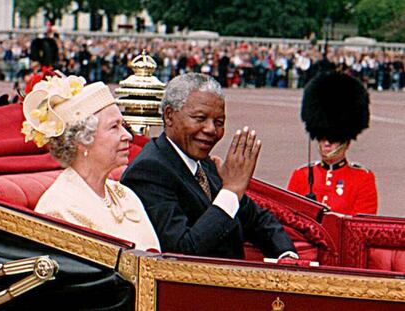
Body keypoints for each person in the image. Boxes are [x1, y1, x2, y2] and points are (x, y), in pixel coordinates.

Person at [121, 73, 297, 260]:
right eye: (200, 118)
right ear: (169, 115)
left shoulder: (205, 165)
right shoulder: (149, 171)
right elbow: (180, 252)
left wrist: (286, 255)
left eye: (219, 122)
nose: (211, 130)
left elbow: (257, 218)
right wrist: (231, 191)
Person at [21, 74, 160, 251]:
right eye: (114, 127)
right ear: (81, 141)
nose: (128, 136)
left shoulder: (125, 194)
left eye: (123, 125)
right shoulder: (58, 208)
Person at [287, 72, 377, 215]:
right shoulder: (301, 175)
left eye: (333, 139)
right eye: (322, 137)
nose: (326, 143)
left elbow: (361, 227)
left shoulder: (362, 179)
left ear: (346, 142)